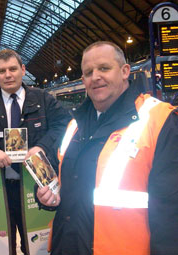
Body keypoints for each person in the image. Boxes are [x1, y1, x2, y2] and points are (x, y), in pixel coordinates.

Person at [36, 41, 178, 255]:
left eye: (104, 68)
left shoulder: (159, 121)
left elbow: (171, 211)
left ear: (124, 71)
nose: (96, 77)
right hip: (67, 245)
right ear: (83, 80)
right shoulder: (74, 125)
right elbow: (64, 185)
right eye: (88, 72)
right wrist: (49, 197)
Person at [0, 49, 68, 254]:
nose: (7, 75)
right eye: (2, 71)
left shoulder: (43, 99)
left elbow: (64, 126)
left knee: (37, 243)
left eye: (12, 69)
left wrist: (42, 147)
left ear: (23, 70)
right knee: (2, 245)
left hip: (36, 187)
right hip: (1, 190)